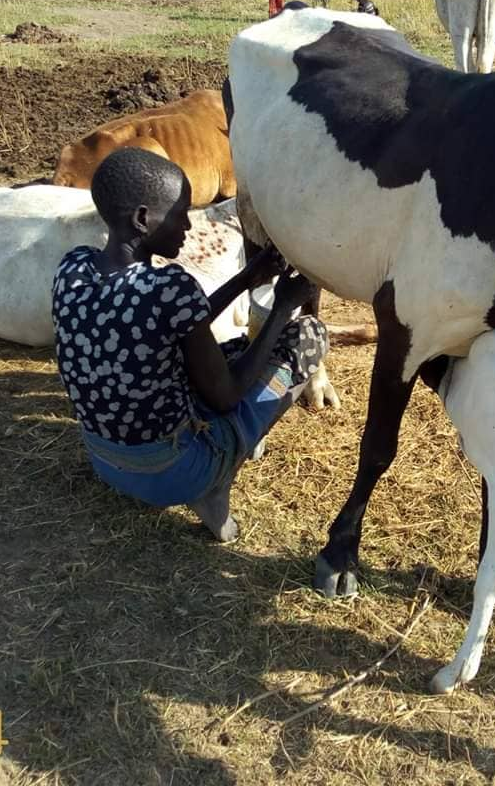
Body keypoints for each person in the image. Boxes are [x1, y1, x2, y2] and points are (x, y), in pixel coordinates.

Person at [51, 149, 328, 542]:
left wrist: (246, 278)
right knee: (308, 337)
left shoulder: (74, 267)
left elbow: (170, 323)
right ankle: (216, 480)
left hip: (106, 460)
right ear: (143, 219)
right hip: (176, 473)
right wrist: (284, 307)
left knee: (231, 349)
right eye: (180, 211)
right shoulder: (171, 288)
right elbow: (226, 398)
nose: (187, 222)